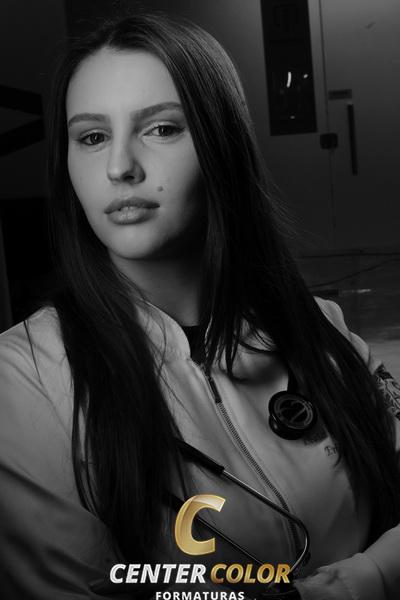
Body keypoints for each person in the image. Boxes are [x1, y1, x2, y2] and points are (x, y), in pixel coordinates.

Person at [0, 11, 399, 600]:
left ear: (221, 143)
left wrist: (366, 579)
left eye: (160, 128)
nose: (119, 167)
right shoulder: (23, 378)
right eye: (92, 137)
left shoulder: (319, 327)